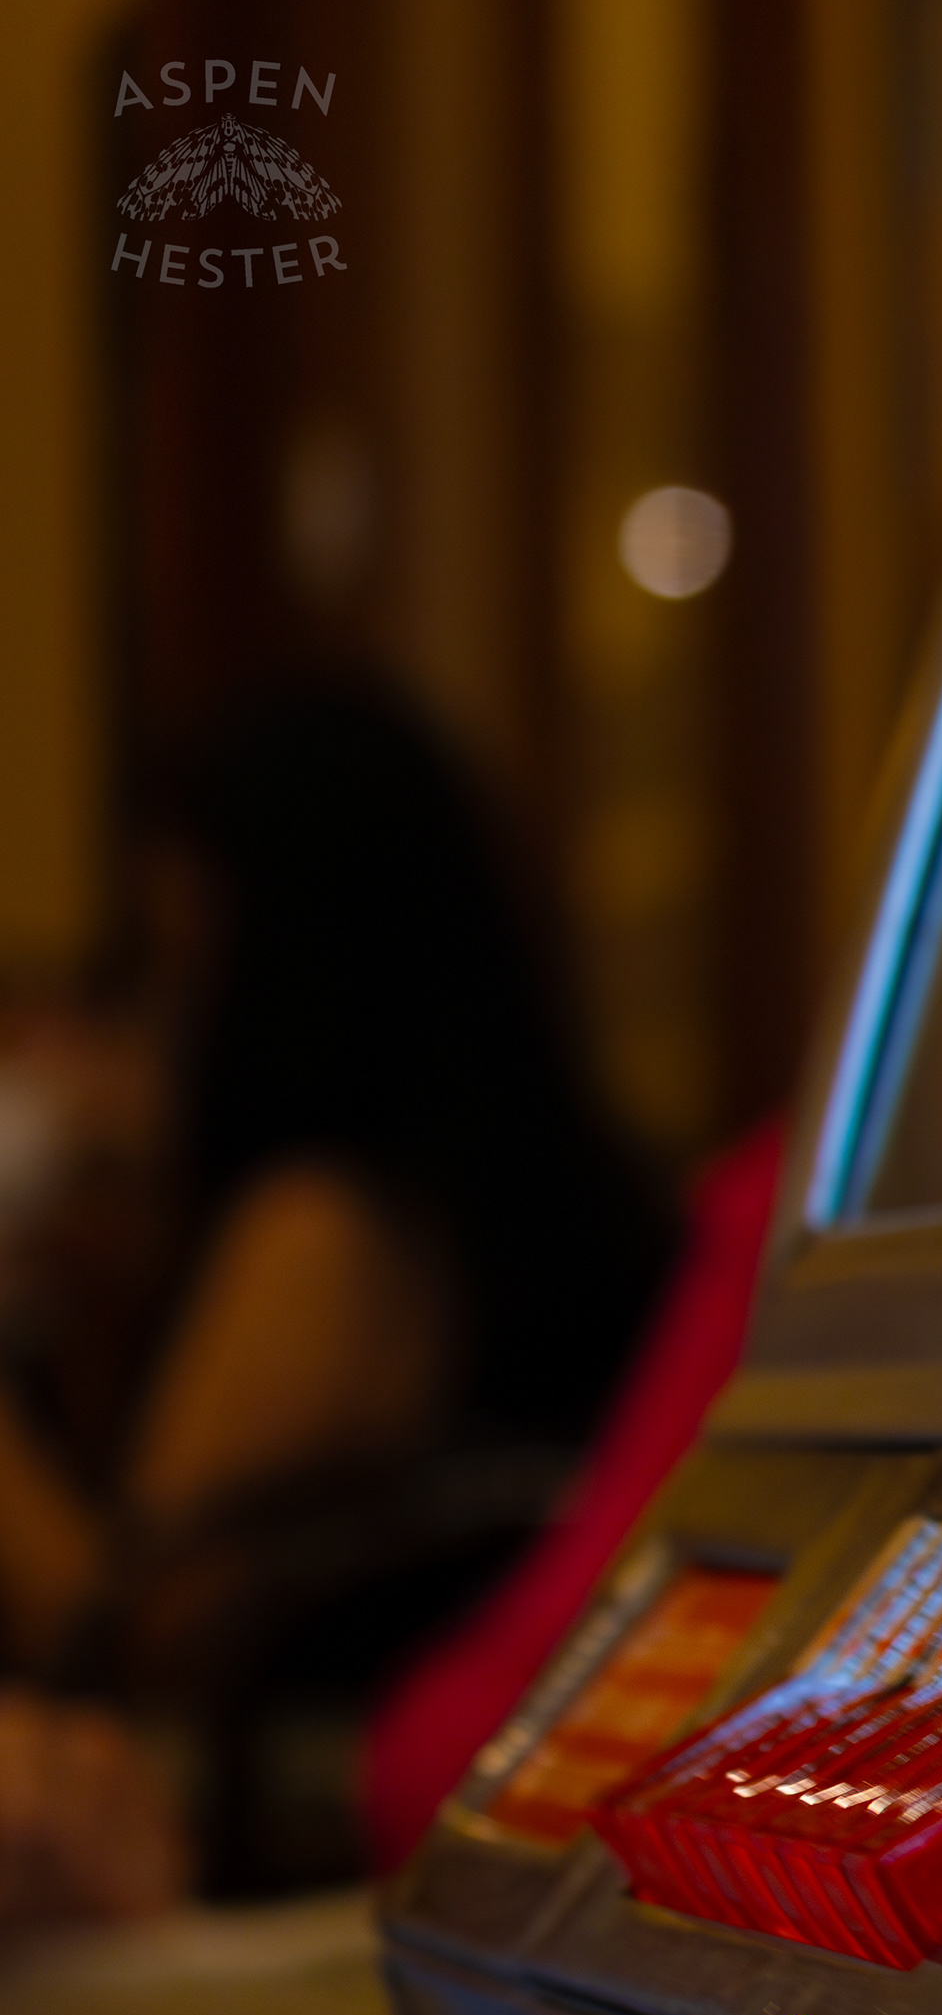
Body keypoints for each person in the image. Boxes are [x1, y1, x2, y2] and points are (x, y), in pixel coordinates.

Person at [0, 685, 671, 1827]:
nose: (171, 1016)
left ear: (286, 953)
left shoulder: (327, 1230)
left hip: (310, 1844)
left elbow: (125, 1636)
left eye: (184, 957)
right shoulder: (537, 1204)